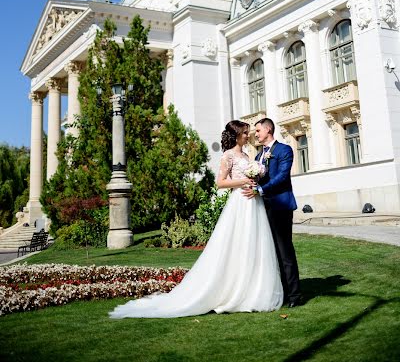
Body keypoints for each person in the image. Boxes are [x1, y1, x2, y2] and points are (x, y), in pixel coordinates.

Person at [109, 120, 283, 319]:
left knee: (253, 244)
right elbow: (220, 182)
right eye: (244, 133)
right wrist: (243, 180)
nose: (248, 135)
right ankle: (232, 290)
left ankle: (252, 291)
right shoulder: (228, 155)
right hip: (239, 203)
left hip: (253, 202)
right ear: (236, 135)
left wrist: (255, 179)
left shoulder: (246, 155)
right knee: (236, 244)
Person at [242, 117, 302, 307]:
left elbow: (282, 177)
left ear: (268, 130)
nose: (256, 134)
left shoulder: (285, 150)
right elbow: (259, 177)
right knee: (272, 252)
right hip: (263, 208)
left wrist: (260, 190)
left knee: (285, 252)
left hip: (281, 207)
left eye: (258, 131)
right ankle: (281, 292)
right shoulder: (258, 157)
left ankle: (295, 295)